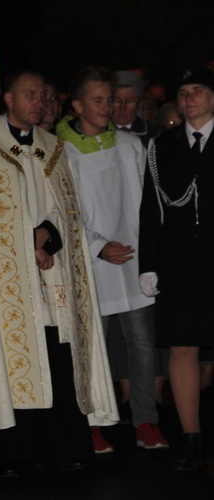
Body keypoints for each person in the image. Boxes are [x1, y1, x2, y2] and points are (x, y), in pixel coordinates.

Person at [0, 69, 118, 478]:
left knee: (55, 353)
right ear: (8, 99)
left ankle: (62, 444)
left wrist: (46, 238)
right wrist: (23, 241)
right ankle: (9, 450)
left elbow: (67, 211)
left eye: (43, 95)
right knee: (9, 353)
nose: (39, 102)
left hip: (48, 274)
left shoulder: (53, 148)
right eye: (30, 95)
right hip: (1, 280)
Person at [56, 65, 168, 454]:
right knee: (94, 347)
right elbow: (62, 213)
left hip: (133, 259)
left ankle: (146, 421)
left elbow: (146, 206)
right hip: (93, 265)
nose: (108, 107)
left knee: (142, 343)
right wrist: (97, 246)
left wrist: (149, 255)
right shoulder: (62, 152)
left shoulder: (130, 144)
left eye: (111, 100)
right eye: (99, 100)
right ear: (76, 105)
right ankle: (93, 423)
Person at [138, 66, 214, 471]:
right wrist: (148, 265)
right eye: (184, 92)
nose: (189, 98)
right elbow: (151, 211)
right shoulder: (162, 146)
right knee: (182, 348)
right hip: (180, 263)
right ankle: (192, 438)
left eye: (198, 90)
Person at [113, 70, 165, 146]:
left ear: (139, 103)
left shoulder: (157, 135)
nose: (123, 108)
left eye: (130, 101)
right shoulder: (97, 132)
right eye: (117, 101)